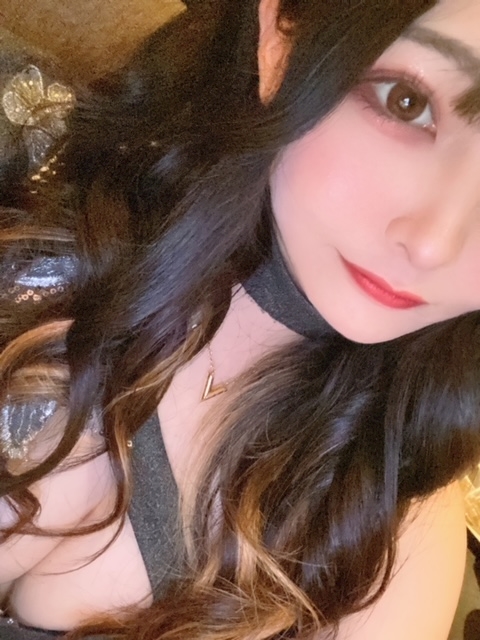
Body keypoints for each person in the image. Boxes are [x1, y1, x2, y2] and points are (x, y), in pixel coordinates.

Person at [1, 0, 480, 638]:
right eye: (406, 103)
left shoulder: (396, 532)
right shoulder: (36, 167)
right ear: (282, 34)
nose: (433, 245)